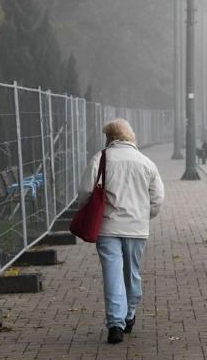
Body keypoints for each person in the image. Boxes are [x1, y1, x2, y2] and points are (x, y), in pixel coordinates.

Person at [76, 118, 164, 344]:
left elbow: (85, 192)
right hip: (136, 228)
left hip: (107, 227)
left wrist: (87, 210)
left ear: (110, 138)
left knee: (112, 274)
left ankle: (115, 324)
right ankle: (130, 314)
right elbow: (158, 198)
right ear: (131, 136)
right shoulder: (146, 162)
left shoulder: (101, 158)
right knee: (132, 272)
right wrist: (145, 216)